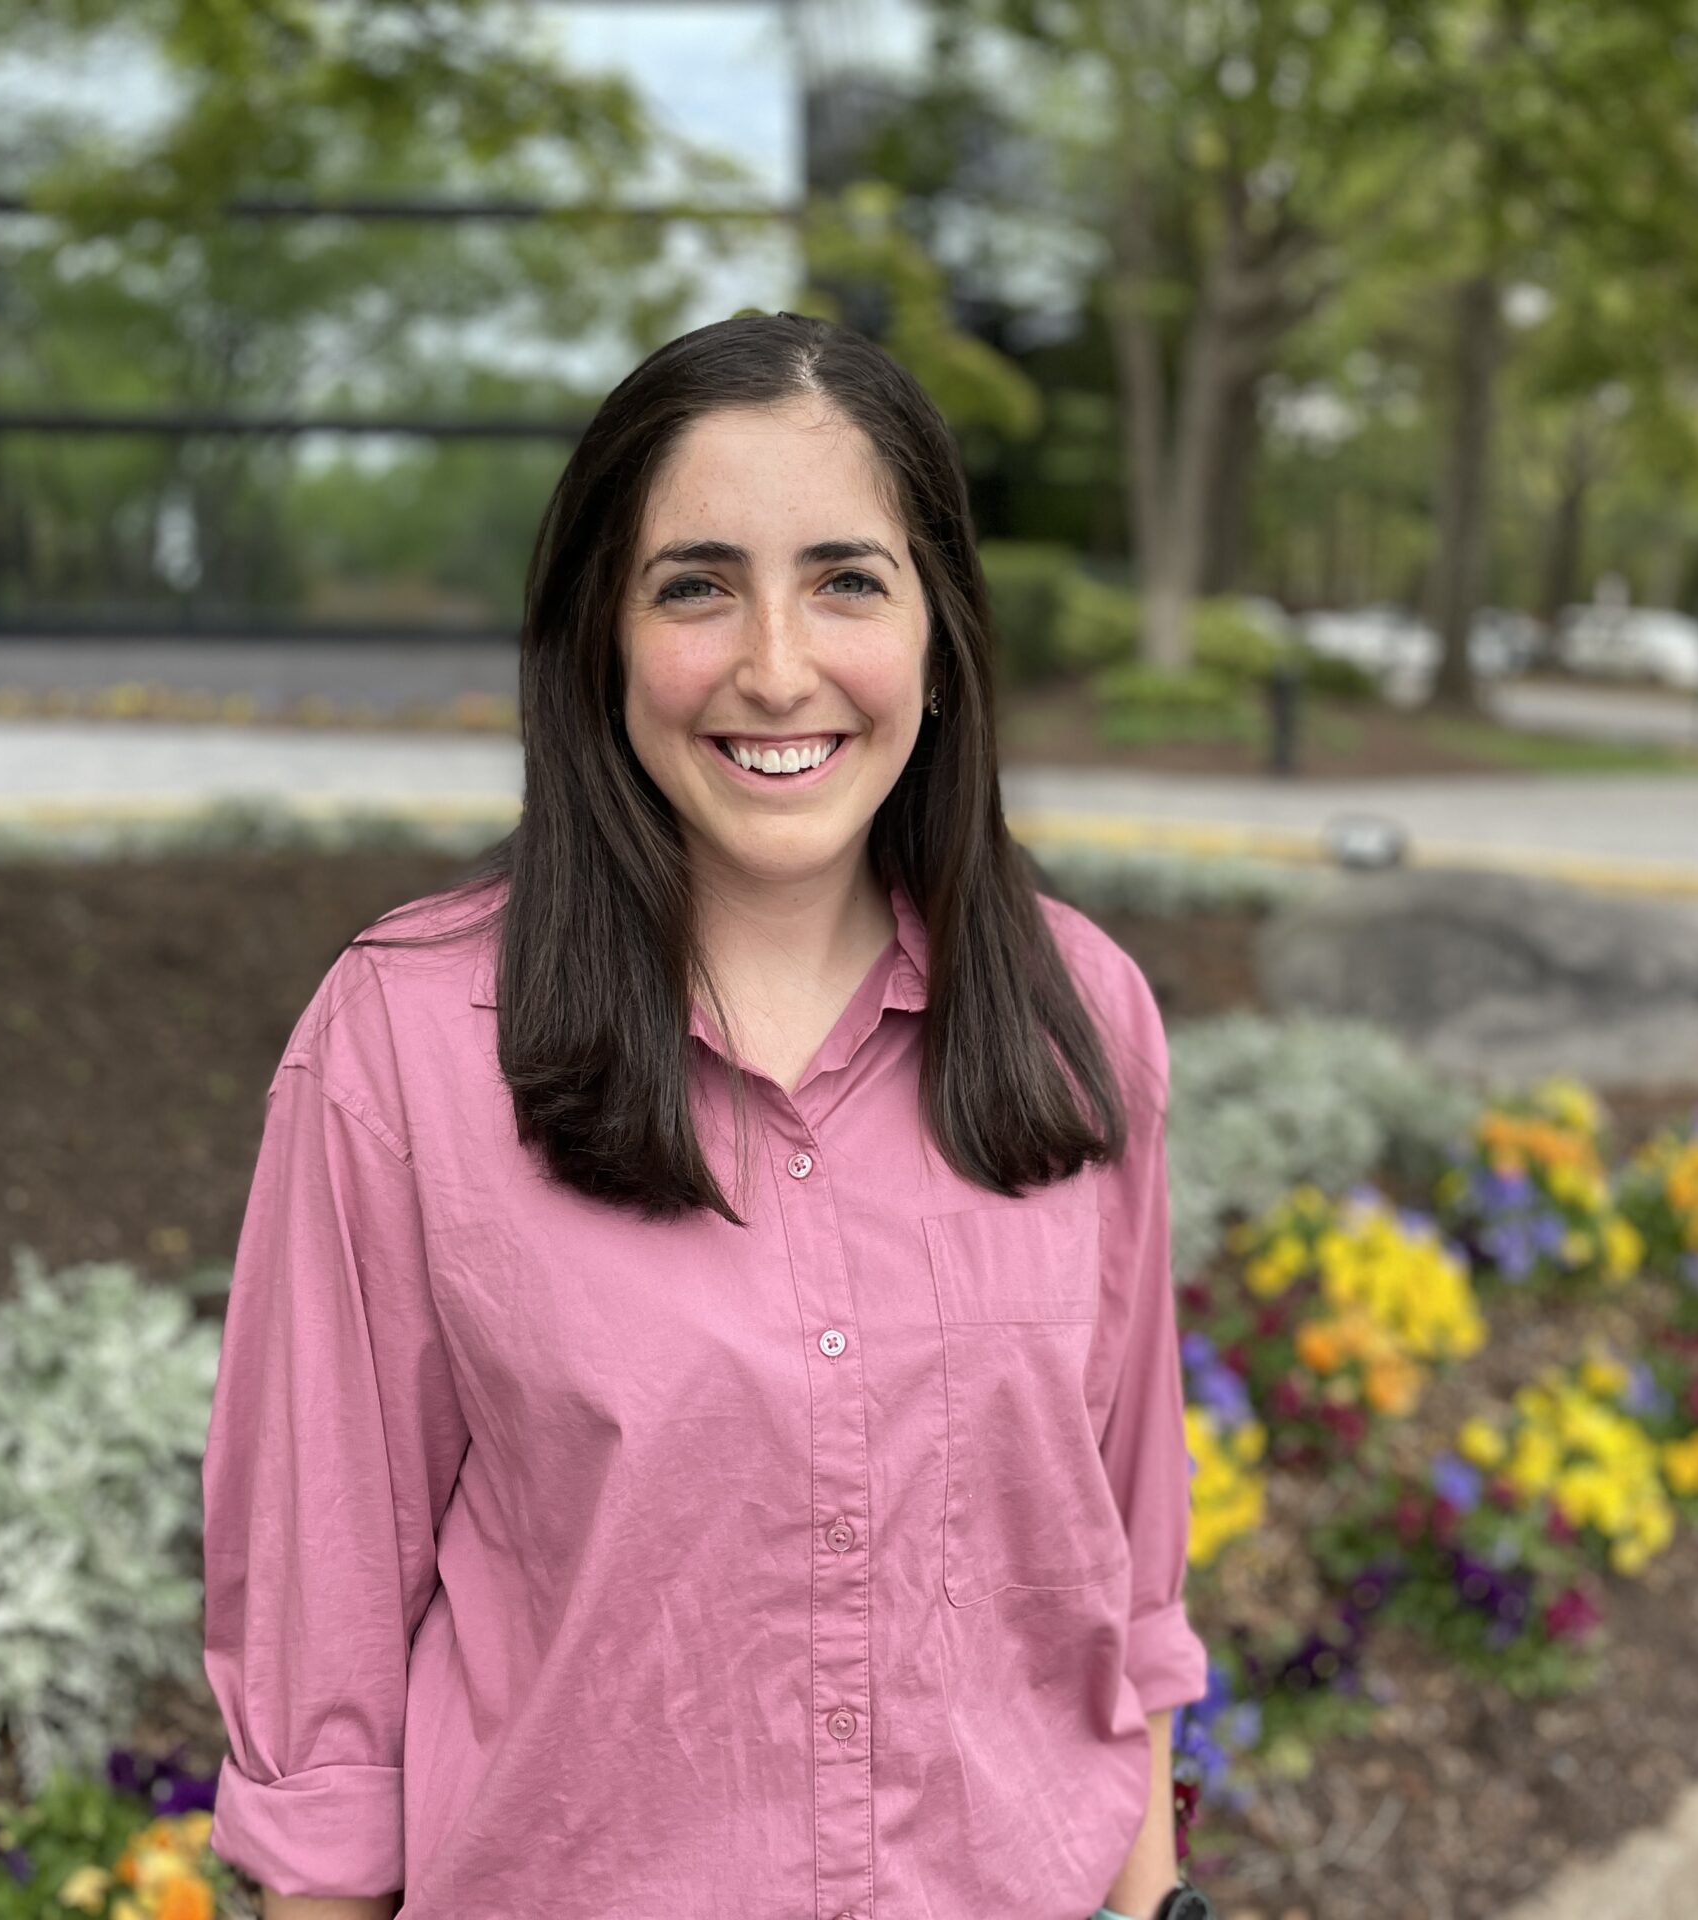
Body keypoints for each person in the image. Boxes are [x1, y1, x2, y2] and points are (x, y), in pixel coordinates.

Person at [199, 310, 1216, 1920]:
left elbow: (1124, 1597)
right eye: (696, 585)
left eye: (845, 579)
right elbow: (321, 1707)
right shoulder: (404, 1046)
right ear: (602, 635)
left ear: (941, 635)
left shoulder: (1085, 1020)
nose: (774, 666)